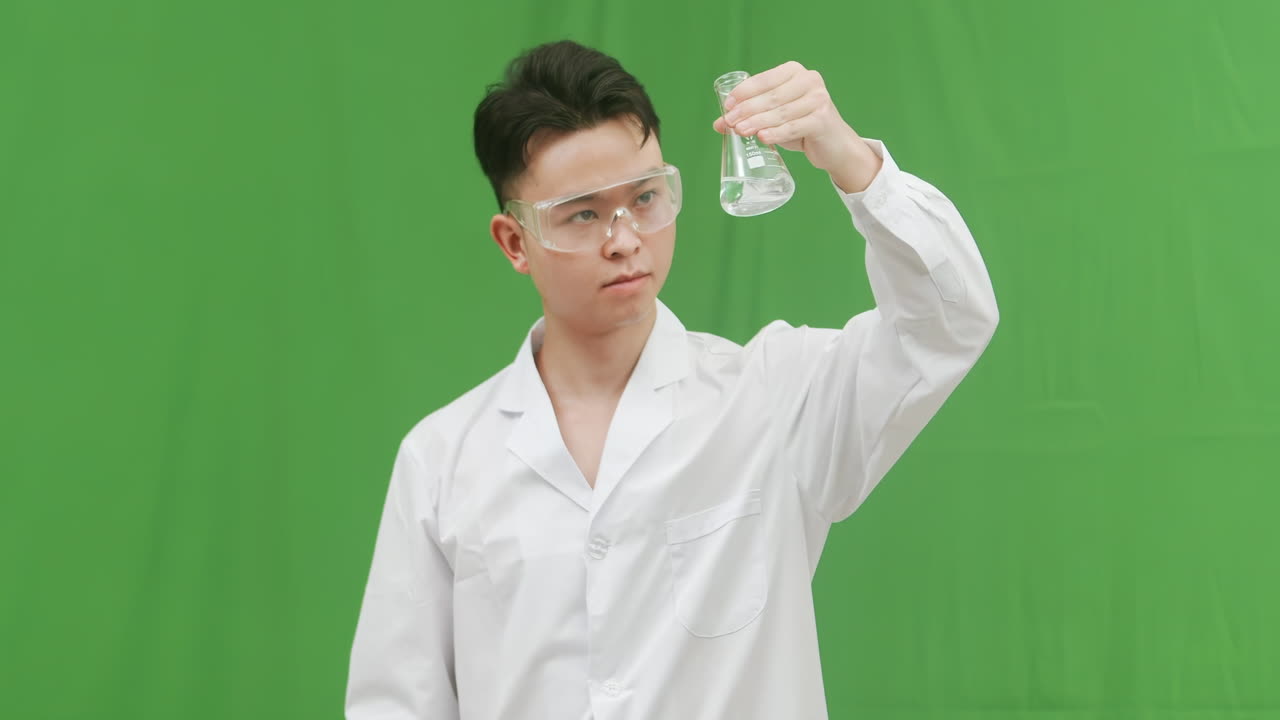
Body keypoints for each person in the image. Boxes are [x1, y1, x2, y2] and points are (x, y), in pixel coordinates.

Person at [345, 39, 998, 720]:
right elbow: (398, 704)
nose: (625, 238)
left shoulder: (775, 398)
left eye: (646, 197)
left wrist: (856, 164)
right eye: (583, 213)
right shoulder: (443, 460)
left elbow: (948, 322)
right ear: (515, 242)